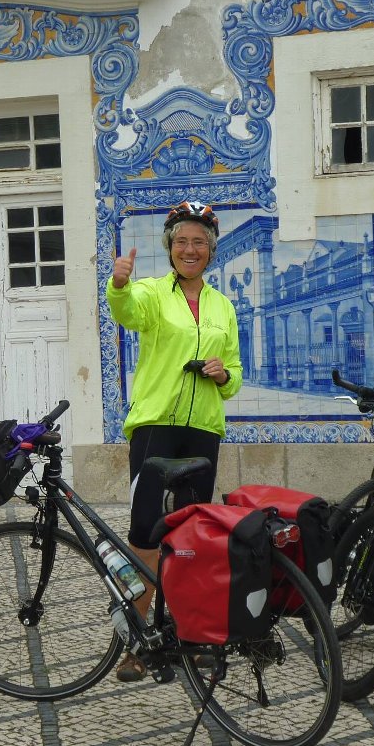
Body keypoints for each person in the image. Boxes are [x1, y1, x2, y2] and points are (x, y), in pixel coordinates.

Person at [106, 200, 243, 682]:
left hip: (202, 429)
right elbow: (126, 312)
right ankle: (133, 640)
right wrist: (119, 283)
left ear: (210, 250)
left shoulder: (223, 305)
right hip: (156, 424)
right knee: (145, 534)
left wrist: (224, 374)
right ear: (170, 247)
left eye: (199, 242)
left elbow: (235, 377)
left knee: (193, 539)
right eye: (182, 241)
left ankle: (191, 634)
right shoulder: (150, 294)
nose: (190, 249)